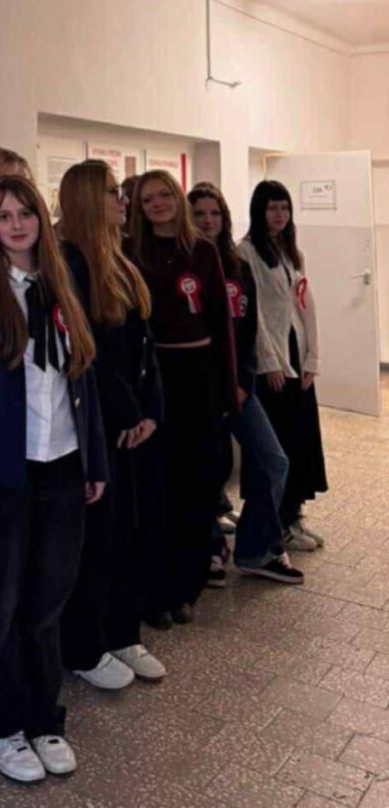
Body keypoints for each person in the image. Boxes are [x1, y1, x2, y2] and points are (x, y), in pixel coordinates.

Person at [0, 174, 107, 782]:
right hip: (3, 471)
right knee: (2, 606)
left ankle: (44, 719)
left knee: (47, 603)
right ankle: (1, 725)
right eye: (4, 216)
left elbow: (84, 374)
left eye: (25, 214)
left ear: (41, 218)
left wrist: (94, 460)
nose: (16, 225)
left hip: (62, 461)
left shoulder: (63, 278)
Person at [56, 161, 167, 690]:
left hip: (132, 423)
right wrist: (127, 412)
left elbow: (143, 345)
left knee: (126, 534)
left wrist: (151, 410)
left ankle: (122, 631)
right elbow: (90, 353)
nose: (123, 200)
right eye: (111, 192)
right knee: (96, 540)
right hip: (100, 425)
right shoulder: (69, 263)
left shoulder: (119, 258)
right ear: (85, 199)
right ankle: (86, 645)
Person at [128, 170, 237, 627]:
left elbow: (221, 323)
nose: (157, 204)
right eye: (147, 199)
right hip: (155, 376)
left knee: (198, 484)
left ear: (177, 197)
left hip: (200, 376)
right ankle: (155, 590)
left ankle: (187, 587)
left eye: (163, 195)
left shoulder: (204, 252)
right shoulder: (132, 252)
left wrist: (228, 388)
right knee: (159, 488)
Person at [189, 183, 303, 585]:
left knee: (274, 461)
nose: (207, 222)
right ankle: (209, 550)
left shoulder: (237, 265)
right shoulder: (183, 265)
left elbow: (249, 327)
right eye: (199, 214)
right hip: (200, 389)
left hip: (239, 386)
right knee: (208, 469)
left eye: (214, 214)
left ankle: (254, 549)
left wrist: (243, 379)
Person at [239, 180, 328, 551]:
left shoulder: (293, 253)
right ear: (259, 212)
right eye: (272, 208)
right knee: (279, 445)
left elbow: (306, 304)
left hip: (296, 352)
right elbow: (254, 315)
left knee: (302, 440)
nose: (280, 215)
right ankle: (274, 522)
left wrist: (312, 358)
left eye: (285, 208)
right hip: (271, 361)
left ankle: (293, 514)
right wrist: (269, 362)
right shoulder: (246, 253)